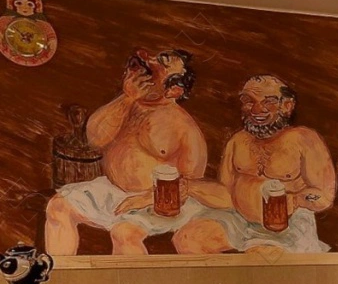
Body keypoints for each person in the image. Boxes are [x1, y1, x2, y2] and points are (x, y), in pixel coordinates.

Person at [44, 48, 226, 254]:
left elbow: (190, 183)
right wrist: (127, 98)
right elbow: (94, 138)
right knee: (58, 206)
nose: (149, 62)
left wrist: (148, 198)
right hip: (114, 191)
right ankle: (59, 270)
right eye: (155, 58)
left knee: (124, 233)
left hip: (158, 201)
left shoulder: (183, 126)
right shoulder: (129, 103)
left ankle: (130, 276)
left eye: (162, 64)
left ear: (174, 90)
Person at [173, 75, 336, 254]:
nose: (257, 109)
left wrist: (295, 200)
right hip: (238, 219)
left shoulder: (304, 139)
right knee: (187, 239)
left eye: (269, 101)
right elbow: (226, 194)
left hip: (287, 226)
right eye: (249, 101)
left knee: (260, 256)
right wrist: (190, 187)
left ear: (287, 106)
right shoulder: (237, 141)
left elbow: (324, 196)